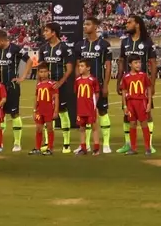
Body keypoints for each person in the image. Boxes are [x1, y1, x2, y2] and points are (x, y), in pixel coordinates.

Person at [0, 28, 29, 152]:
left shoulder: (15, 49)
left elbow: (29, 61)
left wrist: (23, 77)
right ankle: (0, 143)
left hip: (12, 87)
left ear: (3, 39)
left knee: (15, 114)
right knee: (0, 115)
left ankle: (17, 143)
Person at [35, 22, 76, 153]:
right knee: (46, 113)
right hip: (46, 87)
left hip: (60, 86)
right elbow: (41, 67)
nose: (44, 33)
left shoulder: (64, 48)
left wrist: (60, 82)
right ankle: (47, 143)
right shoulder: (43, 48)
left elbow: (69, 69)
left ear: (53, 32)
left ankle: (66, 143)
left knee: (63, 112)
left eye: (46, 31)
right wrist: (38, 83)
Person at [118, 16, 156, 154]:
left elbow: (152, 63)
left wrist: (153, 84)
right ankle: (129, 144)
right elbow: (121, 61)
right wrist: (119, 81)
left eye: (129, 22)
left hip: (143, 86)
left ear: (138, 24)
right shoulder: (125, 42)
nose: (126, 24)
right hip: (128, 85)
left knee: (147, 115)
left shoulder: (147, 41)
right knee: (127, 116)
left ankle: (149, 145)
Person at [76, 18, 114, 153]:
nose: (85, 27)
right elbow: (77, 64)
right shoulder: (80, 44)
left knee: (103, 112)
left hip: (98, 84)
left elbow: (108, 66)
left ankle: (106, 144)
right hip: (84, 87)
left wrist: (106, 85)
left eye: (88, 24)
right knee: (84, 115)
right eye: (84, 24)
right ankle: (84, 145)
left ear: (96, 26)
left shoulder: (104, 44)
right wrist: (77, 80)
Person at [120, 55, 153, 155]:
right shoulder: (126, 77)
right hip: (130, 103)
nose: (138, 64)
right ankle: (133, 148)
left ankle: (148, 147)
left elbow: (149, 89)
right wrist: (125, 106)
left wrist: (149, 103)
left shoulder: (143, 75)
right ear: (130, 64)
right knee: (132, 124)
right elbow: (124, 91)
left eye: (139, 62)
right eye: (136, 63)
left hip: (141, 102)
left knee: (144, 123)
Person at [73, 58, 100, 154]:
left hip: (90, 108)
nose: (80, 68)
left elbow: (96, 93)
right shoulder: (78, 80)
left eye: (82, 66)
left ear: (88, 68)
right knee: (81, 128)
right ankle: (83, 148)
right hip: (81, 108)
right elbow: (77, 93)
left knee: (94, 127)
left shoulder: (93, 80)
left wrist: (94, 105)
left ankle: (96, 148)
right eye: (79, 66)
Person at [31, 64, 58, 155]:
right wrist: (34, 110)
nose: (43, 74)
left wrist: (56, 111)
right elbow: (36, 97)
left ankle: (50, 148)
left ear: (48, 72)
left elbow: (56, 98)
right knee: (38, 129)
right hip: (39, 110)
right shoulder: (38, 84)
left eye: (45, 72)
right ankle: (37, 148)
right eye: (41, 72)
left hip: (49, 110)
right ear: (38, 73)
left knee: (49, 128)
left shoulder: (52, 84)